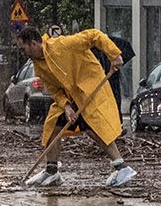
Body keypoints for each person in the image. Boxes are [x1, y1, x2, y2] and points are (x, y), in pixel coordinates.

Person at [17, 26, 138, 187]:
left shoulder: (63, 44)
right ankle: (51, 171)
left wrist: (114, 55)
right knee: (54, 125)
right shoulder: (39, 65)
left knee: (93, 127)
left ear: (33, 43)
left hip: (89, 89)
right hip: (71, 97)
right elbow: (54, 89)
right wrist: (66, 106)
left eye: (23, 48)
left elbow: (94, 35)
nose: (22, 52)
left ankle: (121, 167)